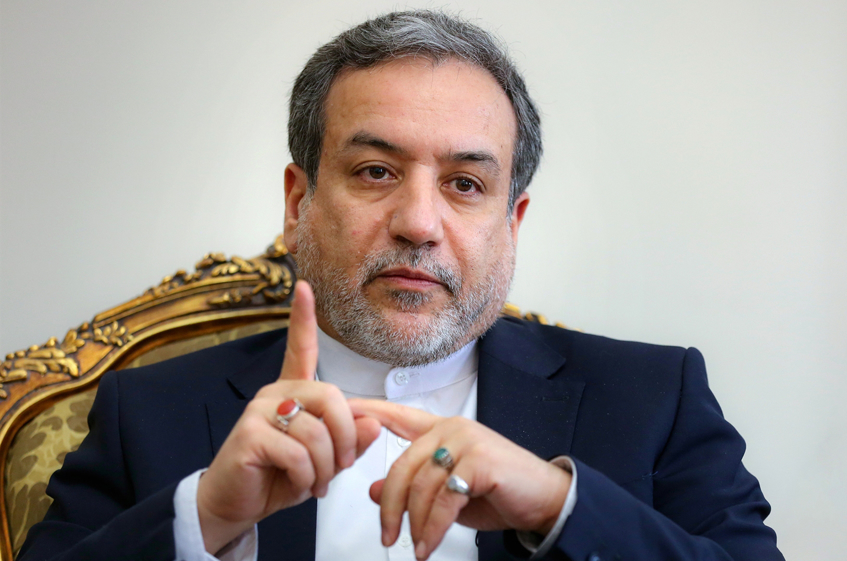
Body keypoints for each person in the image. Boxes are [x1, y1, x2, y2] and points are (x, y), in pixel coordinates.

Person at [19, 10, 783, 561]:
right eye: (376, 172)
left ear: (511, 221)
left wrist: (560, 505)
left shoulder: (654, 398)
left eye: (464, 183)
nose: (419, 221)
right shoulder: (146, 412)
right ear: (298, 202)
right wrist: (205, 517)